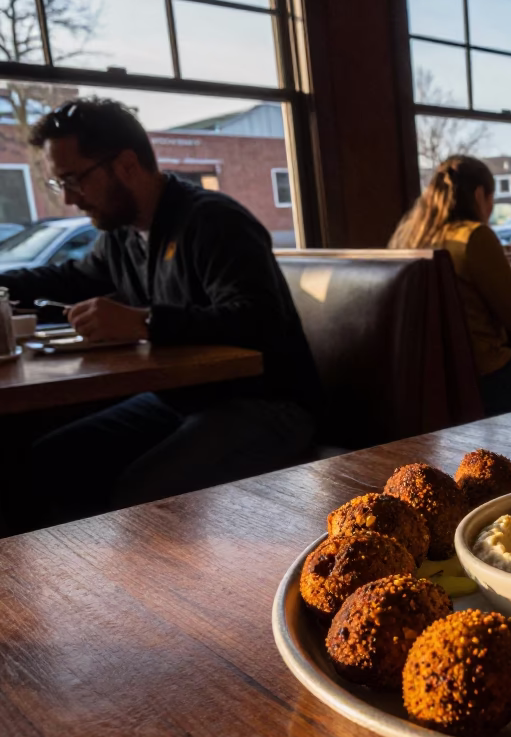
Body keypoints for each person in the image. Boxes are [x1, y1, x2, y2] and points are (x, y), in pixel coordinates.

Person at [0, 98, 321, 527]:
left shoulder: (214, 221)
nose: (71, 199)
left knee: (141, 495)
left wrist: (144, 321)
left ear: (126, 164)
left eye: (75, 180)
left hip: (268, 404)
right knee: (49, 461)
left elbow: (257, 321)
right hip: (181, 398)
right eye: (63, 185)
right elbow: (65, 279)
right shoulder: (122, 237)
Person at [389, 154, 511, 416]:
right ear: (480, 194)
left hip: (431, 377)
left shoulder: (408, 238)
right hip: (484, 373)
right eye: (492, 198)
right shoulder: (475, 236)